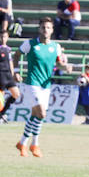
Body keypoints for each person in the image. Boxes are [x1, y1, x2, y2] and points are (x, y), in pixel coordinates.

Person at [14, 17, 72, 158]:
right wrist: (15, 71)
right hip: (32, 83)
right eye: (43, 27)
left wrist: (66, 67)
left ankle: (22, 143)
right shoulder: (30, 44)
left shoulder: (56, 47)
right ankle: (35, 144)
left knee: (35, 115)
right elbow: (16, 56)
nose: (45, 30)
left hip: (46, 85)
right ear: (39, 29)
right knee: (42, 114)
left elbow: (58, 64)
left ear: (52, 30)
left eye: (48, 28)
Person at [0, 30, 20, 124]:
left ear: (7, 37)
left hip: (8, 75)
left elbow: (10, 62)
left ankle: (2, 113)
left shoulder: (8, 49)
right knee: (0, 97)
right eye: (2, 37)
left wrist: (13, 73)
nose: (3, 39)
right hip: (0, 74)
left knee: (16, 94)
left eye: (5, 37)